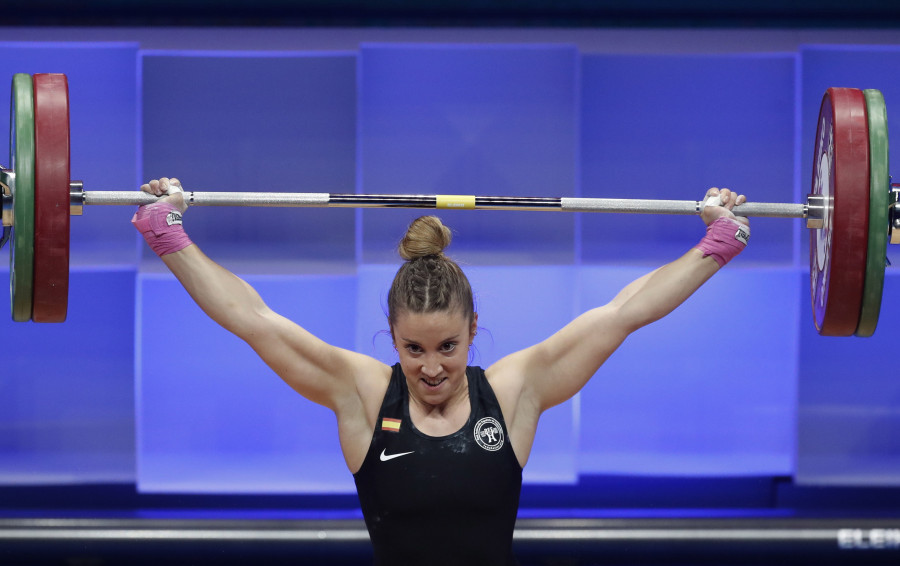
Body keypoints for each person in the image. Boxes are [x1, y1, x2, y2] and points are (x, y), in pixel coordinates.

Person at [132, 178, 749, 566]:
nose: (431, 368)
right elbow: (254, 320)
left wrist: (715, 246)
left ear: (474, 331)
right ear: (392, 339)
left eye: (449, 346)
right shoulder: (364, 394)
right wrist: (170, 236)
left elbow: (623, 313)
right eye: (414, 349)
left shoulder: (511, 392)